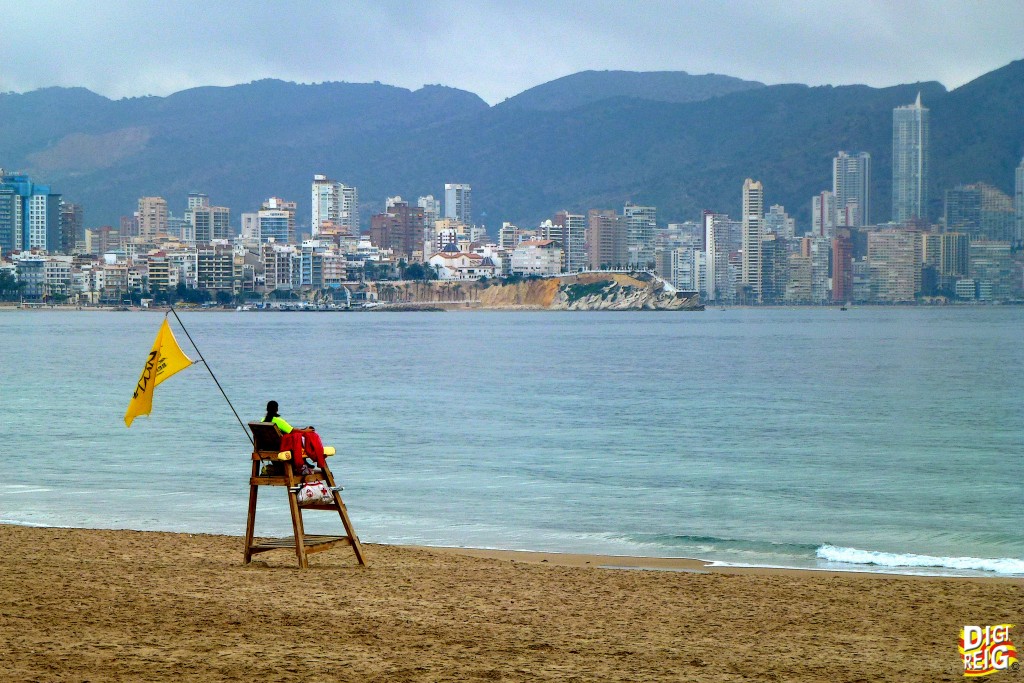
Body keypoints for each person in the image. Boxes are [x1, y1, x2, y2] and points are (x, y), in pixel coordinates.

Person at [263, 400, 326, 475]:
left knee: (295, 437)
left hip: (267, 446)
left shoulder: (263, 420)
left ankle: (304, 463)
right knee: (298, 439)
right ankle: (303, 462)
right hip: (280, 447)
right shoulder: (278, 421)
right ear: (277, 409)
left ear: (267, 409)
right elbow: (291, 430)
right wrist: (305, 430)